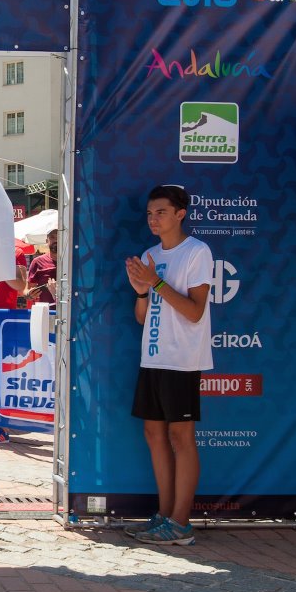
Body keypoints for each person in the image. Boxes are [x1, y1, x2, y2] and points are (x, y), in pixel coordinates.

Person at [124, 185, 212, 546]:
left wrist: (155, 282)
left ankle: (181, 523)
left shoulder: (197, 252)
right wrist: (143, 292)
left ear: (180, 213)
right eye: (149, 213)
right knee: (154, 435)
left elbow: (194, 312)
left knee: (181, 437)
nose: (153, 219)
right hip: (153, 357)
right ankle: (164, 517)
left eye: (160, 212)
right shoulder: (149, 253)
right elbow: (142, 318)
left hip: (182, 359)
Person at [27, 228, 58, 306]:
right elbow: (29, 290)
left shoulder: (72, 261)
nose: (56, 240)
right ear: (47, 241)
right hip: (45, 312)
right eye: (52, 237)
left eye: (59, 237)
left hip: (69, 311)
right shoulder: (37, 262)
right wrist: (30, 294)